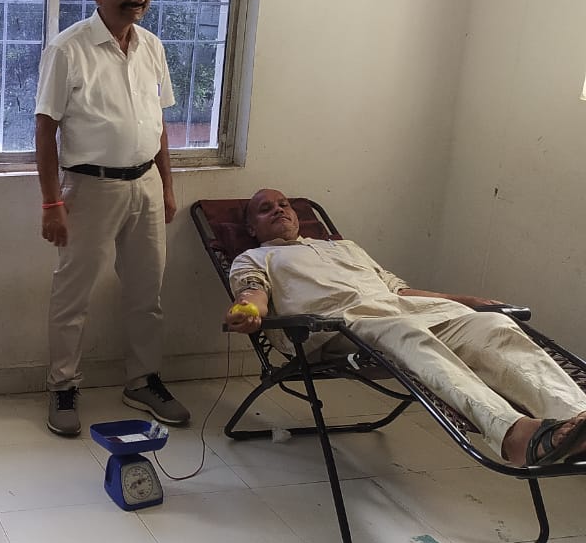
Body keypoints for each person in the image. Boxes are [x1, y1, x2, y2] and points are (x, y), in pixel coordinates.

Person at [224, 189, 586, 467]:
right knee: (405, 333)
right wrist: (249, 311)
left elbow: (398, 290)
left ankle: (575, 417)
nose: (279, 210)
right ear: (252, 228)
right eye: (266, 209)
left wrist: (467, 300)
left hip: (406, 311)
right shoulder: (254, 257)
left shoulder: (344, 248)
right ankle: (514, 435)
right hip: (340, 326)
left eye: (284, 204)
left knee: (493, 325)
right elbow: (252, 293)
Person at [34, 0, 190, 436]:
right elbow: (44, 130)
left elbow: (158, 125)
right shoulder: (68, 49)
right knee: (73, 295)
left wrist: (166, 187)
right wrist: (52, 203)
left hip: (145, 184)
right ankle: (62, 386)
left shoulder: (152, 47)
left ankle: (142, 381)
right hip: (89, 188)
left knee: (148, 293)